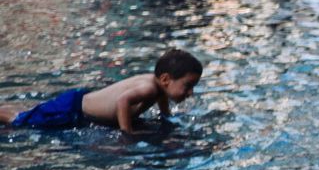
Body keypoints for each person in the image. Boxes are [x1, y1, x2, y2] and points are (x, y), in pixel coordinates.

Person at [1, 48, 202, 134]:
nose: (190, 93)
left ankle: (12, 108)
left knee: (34, 113)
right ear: (166, 79)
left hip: (78, 103)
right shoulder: (149, 88)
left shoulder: (157, 87)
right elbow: (123, 101)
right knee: (20, 121)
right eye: (187, 86)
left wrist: (166, 117)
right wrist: (127, 133)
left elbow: (162, 104)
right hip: (73, 110)